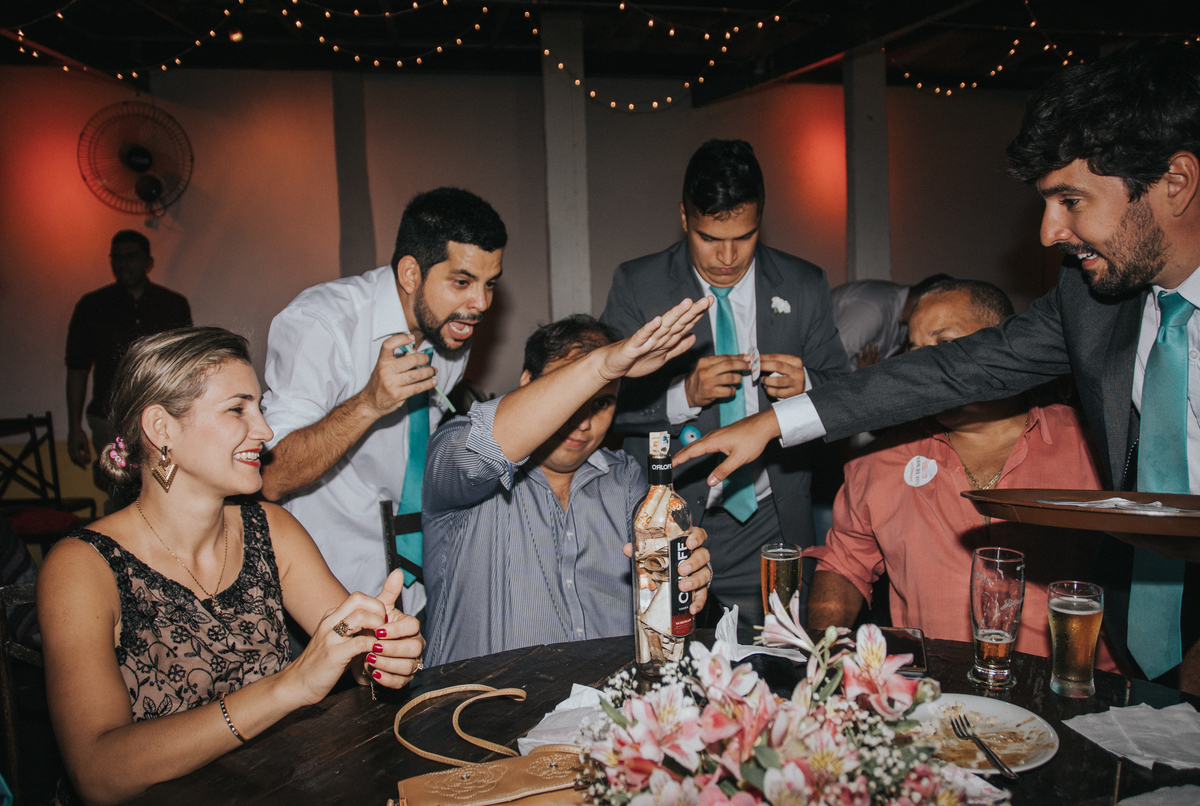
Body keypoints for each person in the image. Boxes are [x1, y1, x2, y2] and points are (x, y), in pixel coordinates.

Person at [674, 39, 1200, 694]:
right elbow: (953, 371)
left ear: (1175, 183)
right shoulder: (1091, 305)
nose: (1048, 233)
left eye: (1071, 200)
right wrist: (776, 422)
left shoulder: (1077, 414)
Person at [36, 327, 424, 805]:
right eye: (238, 409)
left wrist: (382, 654)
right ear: (161, 429)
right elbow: (97, 773)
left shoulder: (272, 531)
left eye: (259, 407)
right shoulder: (83, 566)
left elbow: (358, 658)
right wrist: (291, 686)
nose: (264, 431)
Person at [600, 139, 849, 632]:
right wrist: (681, 395)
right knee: (674, 663)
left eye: (746, 236)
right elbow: (602, 404)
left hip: (772, 519)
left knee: (783, 668)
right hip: (676, 520)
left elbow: (845, 394)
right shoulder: (638, 284)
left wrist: (811, 386)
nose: (729, 256)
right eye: (711, 238)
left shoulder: (803, 284)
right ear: (684, 217)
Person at [807, 279, 1119, 670]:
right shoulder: (880, 459)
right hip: (935, 700)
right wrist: (823, 657)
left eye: (945, 346)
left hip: (1074, 698)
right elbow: (844, 564)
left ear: (1006, 346)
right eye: (914, 352)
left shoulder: (1093, 445)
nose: (924, 368)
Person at [260, 187, 507, 616]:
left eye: (489, 285)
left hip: (419, 587)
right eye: (462, 282)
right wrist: (369, 404)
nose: (480, 304)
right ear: (410, 273)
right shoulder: (320, 323)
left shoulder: (450, 328)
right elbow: (272, 475)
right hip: (325, 593)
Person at [422, 307, 716, 666]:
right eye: (573, 395)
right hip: (484, 710)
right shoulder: (455, 453)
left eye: (602, 401)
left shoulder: (623, 478)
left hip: (608, 707)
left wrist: (685, 575)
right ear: (529, 383)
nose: (582, 422)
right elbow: (484, 446)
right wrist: (599, 369)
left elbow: (661, 597)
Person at [66, 230, 192, 506]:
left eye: (131, 256)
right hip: (110, 419)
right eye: (117, 257)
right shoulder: (92, 306)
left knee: (166, 490)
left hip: (162, 418)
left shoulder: (172, 305)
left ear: (148, 261)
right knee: (121, 493)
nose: (123, 263)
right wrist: (74, 427)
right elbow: (76, 368)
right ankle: (117, 548)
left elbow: (185, 367)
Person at [830, 273, 952, 369]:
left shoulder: (907, 320)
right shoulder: (872, 310)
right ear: (930, 303)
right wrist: (864, 377)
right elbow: (830, 362)